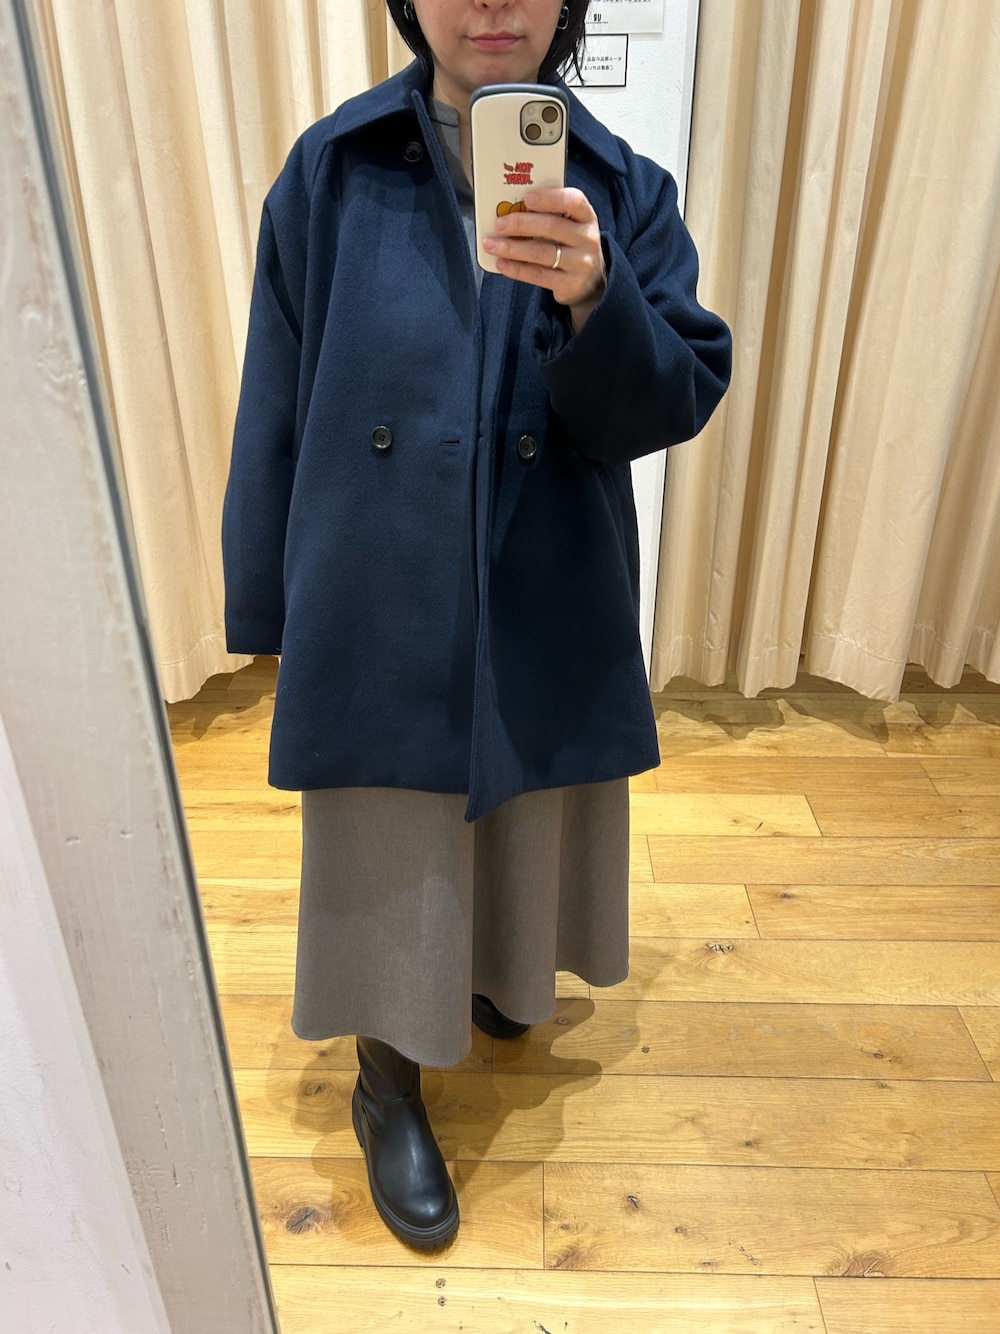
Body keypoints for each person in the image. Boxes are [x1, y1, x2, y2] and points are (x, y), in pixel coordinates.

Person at [222, 0, 731, 1252]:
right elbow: (275, 392)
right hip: (378, 583)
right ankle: (385, 1078)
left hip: (544, 564)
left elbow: (669, 400)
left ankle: (502, 978)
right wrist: (270, 603)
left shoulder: (623, 187)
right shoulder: (331, 170)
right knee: (390, 839)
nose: (492, 2)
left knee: (526, 806)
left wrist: (596, 298)